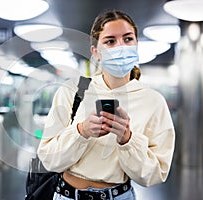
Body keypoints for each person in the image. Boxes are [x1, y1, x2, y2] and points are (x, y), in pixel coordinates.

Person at [37, 10, 175, 200]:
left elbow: (156, 173)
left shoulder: (153, 101)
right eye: (110, 41)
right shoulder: (73, 91)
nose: (120, 47)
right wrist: (81, 131)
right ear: (96, 52)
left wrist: (127, 140)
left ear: (136, 45)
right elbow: (48, 159)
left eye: (128, 39)